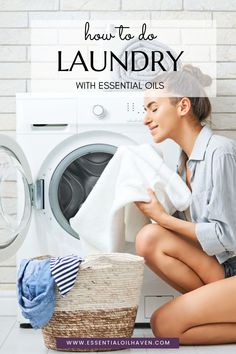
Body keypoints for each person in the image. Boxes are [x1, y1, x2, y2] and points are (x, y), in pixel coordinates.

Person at [135, 65, 236, 345]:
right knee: (148, 239)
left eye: (153, 108)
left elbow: (228, 236)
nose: (146, 118)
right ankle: (214, 308)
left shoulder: (221, 152)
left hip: (232, 265)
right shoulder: (183, 165)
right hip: (223, 270)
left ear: (182, 106)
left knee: (165, 325)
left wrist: (163, 218)